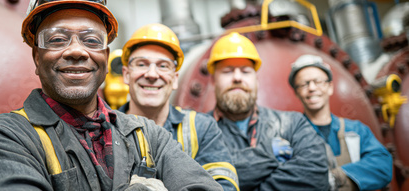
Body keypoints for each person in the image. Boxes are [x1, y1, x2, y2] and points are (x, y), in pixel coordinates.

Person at [0, 0, 223, 190]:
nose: (77, 51)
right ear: (37, 57)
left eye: (91, 40)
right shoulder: (5, 138)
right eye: (57, 39)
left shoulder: (148, 135)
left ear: (106, 57)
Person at [118, 23, 239, 191]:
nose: (152, 74)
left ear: (175, 78)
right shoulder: (105, 129)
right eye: (141, 64)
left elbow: (225, 186)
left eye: (163, 66)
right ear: (126, 74)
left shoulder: (201, 128)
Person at [207, 32, 330, 191]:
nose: (237, 78)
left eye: (245, 71)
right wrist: (270, 154)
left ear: (256, 80)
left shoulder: (292, 124)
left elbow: (316, 175)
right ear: (213, 80)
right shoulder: (199, 131)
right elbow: (204, 181)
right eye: (227, 71)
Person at [288, 54, 392, 191]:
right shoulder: (290, 136)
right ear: (296, 92)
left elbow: (382, 165)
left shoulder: (356, 130)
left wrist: (340, 177)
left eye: (318, 81)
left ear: (330, 87)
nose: (312, 88)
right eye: (304, 84)